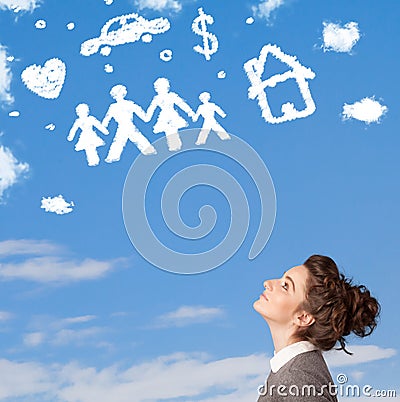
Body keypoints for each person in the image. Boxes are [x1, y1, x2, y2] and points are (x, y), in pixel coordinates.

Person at [254, 255, 380, 401]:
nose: (267, 283)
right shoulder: (293, 370)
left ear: (303, 317)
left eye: (285, 286)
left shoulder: (297, 379)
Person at [102, 84, 156, 163]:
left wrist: (151, 108)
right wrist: (103, 127)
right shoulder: (113, 106)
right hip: (123, 127)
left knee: (136, 138)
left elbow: (144, 116)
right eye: (115, 94)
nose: (117, 96)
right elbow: (107, 118)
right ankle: (113, 157)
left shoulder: (129, 104)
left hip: (129, 126)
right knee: (119, 141)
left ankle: (149, 151)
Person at [146, 77, 195, 152]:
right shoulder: (156, 98)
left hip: (172, 115)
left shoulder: (172, 95)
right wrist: (147, 117)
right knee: (168, 131)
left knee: (173, 129)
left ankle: (177, 146)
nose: (156, 89)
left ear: (165, 87)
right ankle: (173, 147)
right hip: (164, 116)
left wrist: (190, 112)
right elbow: (151, 108)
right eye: (156, 87)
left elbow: (181, 103)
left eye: (158, 87)